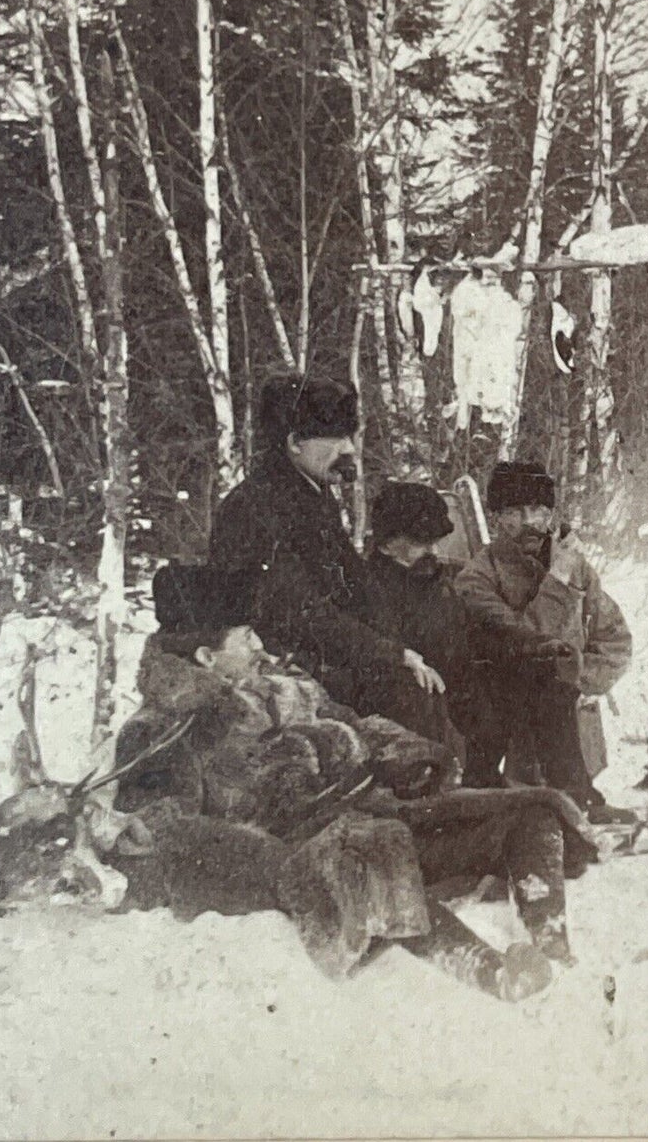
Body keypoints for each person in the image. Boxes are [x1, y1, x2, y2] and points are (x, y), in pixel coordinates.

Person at [111, 562, 598, 991]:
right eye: (244, 637)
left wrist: (411, 753)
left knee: (530, 810)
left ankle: (553, 951)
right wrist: (272, 863)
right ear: (204, 657)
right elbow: (165, 832)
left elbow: (357, 723)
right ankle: (492, 974)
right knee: (378, 852)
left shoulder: (286, 685)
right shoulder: (164, 731)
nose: (260, 646)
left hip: (379, 809)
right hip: (310, 853)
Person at [207, 374, 447, 737]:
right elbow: (297, 610)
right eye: (336, 438)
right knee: (408, 692)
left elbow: (356, 581)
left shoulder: (312, 494)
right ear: (294, 443)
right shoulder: (253, 508)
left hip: (324, 649)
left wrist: (401, 644)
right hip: (277, 662)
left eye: (348, 436)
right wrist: (390, 653)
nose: (349, 449)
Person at [455, 460, 635, 824]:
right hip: (510, 724)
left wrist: (580, 677)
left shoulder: (575, 566)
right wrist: (557, 581)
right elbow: (522, 638)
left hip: (570, 732)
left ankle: (579, 797)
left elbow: (616, 640)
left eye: (539, 510)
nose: (530, 522)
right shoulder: (477, 577)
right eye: (515, 512)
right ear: (497, 519)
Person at [364, 482, 505, 786]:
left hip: (458, 684)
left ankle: (485, 784)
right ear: (387, 544)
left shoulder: (434, 577)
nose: (434, 551)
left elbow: (465, 628)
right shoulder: (370, 589)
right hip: (415, 698)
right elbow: (381, 649)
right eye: (421, 543)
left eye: (436, 541)